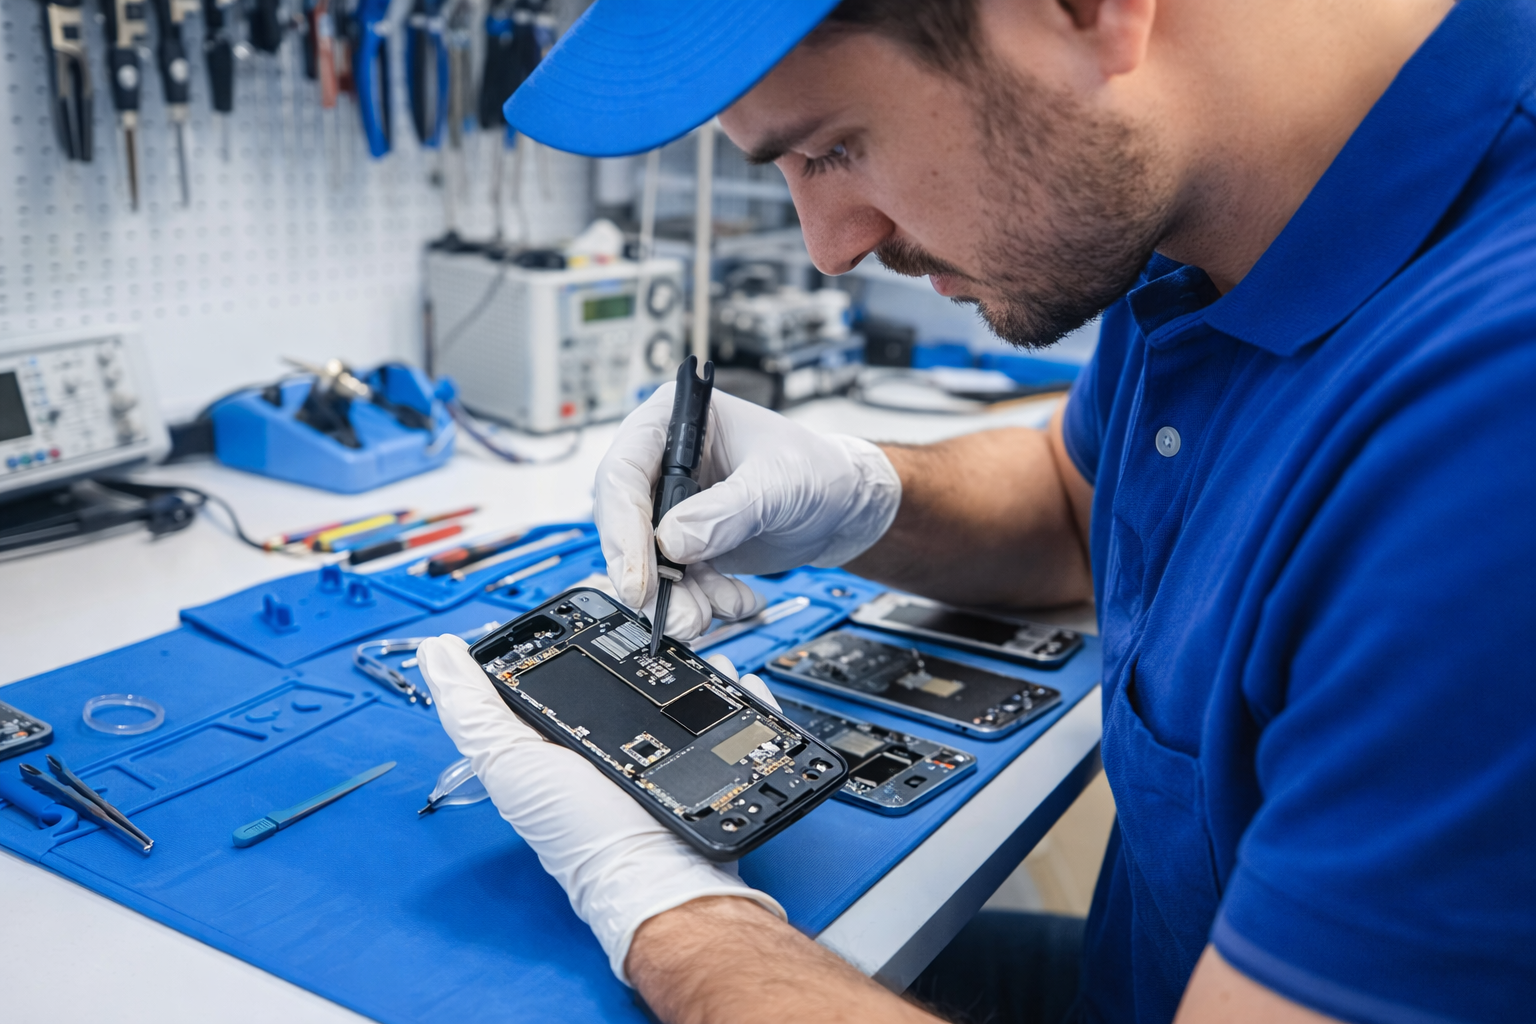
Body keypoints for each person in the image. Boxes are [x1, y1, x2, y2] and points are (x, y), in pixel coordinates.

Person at [416, 0, 1536, 1020]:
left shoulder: (1493, 421)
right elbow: (1074, 505)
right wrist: (860, 497)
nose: (830, 248)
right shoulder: (1204, 201)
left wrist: (670, 912)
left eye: (833, 147)